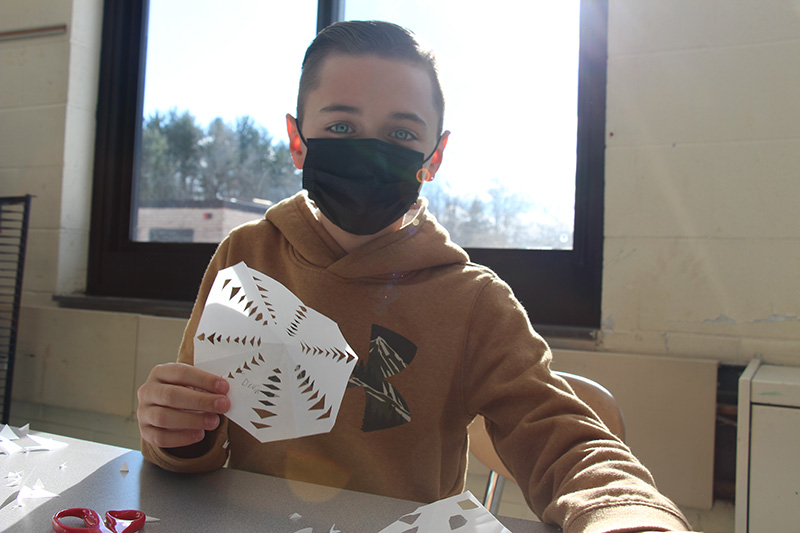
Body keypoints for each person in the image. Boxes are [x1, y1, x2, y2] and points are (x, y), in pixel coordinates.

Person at [137, 20, 692, 532]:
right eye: (341, 125)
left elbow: (563, 438)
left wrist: (629, 514)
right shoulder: (247, 255)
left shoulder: (472, 301)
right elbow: (195, 433)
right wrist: (177, 434)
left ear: (435, 155)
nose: (369, 153)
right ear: (297, 140)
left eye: (401, 135)